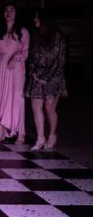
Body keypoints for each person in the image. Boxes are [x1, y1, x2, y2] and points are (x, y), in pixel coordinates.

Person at [0, 4, 29, 144]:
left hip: (15, 68)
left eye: (12, 10)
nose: (8, 12)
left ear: (16, 13)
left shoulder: (23, 31)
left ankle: (20, 133)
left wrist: (17, 57)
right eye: (6, 10)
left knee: (16, 98)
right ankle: (1, 130)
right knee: (0, 97)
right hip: (0, 67)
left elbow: (26, 51)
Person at [26, 9, 67, 150]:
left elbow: (59, 62)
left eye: (37, 17)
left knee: (49, 107)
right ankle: (40, 138)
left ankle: (52, 135)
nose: (34, 20)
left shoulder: (58, 37)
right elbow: (31, 56)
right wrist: (34, 73)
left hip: (53, 77)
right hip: (37, 75)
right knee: (35, 106)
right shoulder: (36, 36)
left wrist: (46, 78)